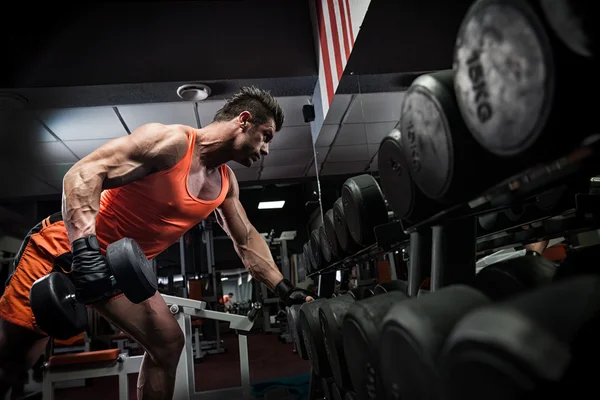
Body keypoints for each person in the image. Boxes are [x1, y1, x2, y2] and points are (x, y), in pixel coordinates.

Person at [0, 87, 314, 399]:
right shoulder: (172, 143)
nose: (266, 149)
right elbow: (82, 174)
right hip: (63, 249)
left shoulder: (225, 184)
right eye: (266, 135)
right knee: (14, 362)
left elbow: (245, 238)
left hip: (118, 269)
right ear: (244, 121)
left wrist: (283, 287)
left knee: (167, 343)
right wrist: (85, 253)